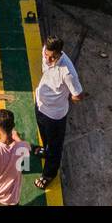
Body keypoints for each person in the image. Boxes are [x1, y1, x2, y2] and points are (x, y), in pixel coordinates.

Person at [33, 36, 84, 190]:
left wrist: (63, 97)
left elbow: (78, 95)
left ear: (59, 53)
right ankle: (45, 150)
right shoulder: (45, 51)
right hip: (40, 106)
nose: (48, 59)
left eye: (52, 57)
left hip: (55, 115)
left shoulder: (68, 72)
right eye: (46, 55)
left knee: (55, 146)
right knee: (44, 136)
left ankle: (49, 173)